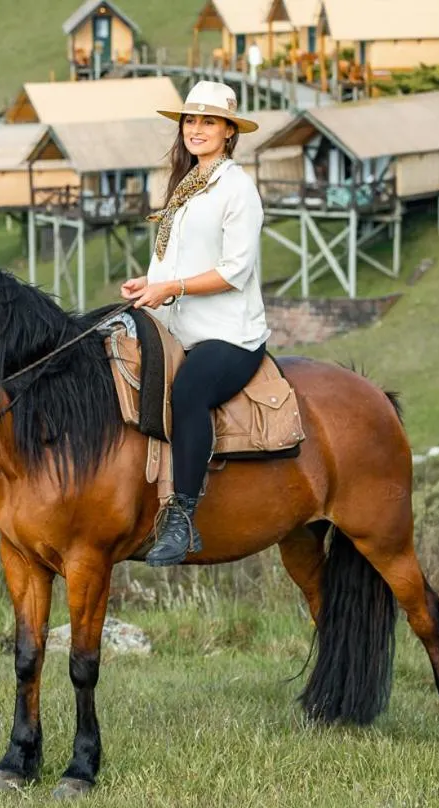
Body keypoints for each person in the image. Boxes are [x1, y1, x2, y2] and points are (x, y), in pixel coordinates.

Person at [121, 80, 270, 567]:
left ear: (229, 132)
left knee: (188, 393)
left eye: (209, 121)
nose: (197, 129)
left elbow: (234, 271)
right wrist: (150, 282)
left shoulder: (238, 189)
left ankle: (182, 517)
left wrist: (172, 288)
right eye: (191, 120)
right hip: (174, 323)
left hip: (228, 333)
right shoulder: (186, 185)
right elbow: (179, 258)